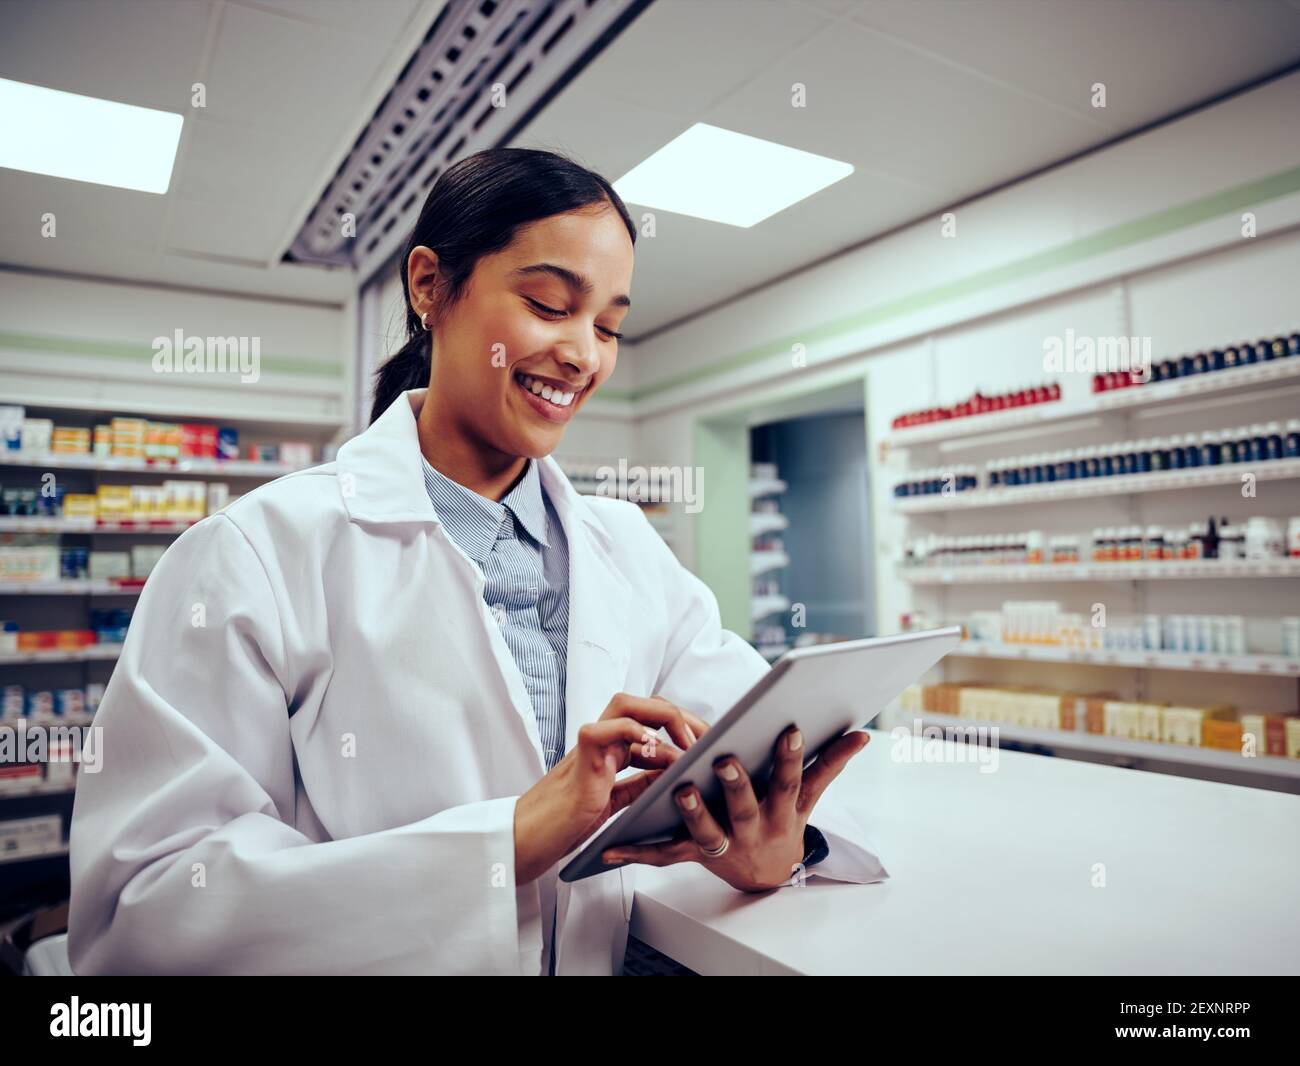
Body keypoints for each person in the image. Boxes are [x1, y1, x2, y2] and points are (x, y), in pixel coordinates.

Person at [68, 147, 886, 976]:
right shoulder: (257, 554)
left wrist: (772, 846)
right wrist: (512, 838)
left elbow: (760, 747)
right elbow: (149, 910)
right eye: (547, 304)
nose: (583, 355)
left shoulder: (627, 548)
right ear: (430, 286)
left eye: (608, 326)